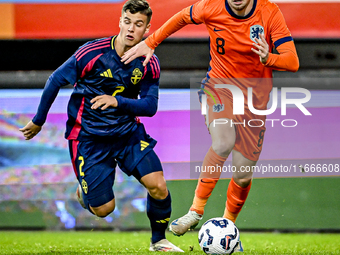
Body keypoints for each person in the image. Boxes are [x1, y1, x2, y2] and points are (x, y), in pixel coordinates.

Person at [121, 0, 299, 248]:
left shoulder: (269, 12)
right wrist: (150, 42)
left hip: (255, 100)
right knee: (223, 142)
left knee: (243, 174)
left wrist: (268, 57)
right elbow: (182, 17)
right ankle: (195, 212)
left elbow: (292, 61)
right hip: (219, 88)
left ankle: (228, 227)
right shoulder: (211, 6)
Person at [19, 0, 184, 252]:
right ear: (119, 22)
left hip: (126, 134)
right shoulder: (91, 53)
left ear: (147, 29)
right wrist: (38, 121)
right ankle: (86, 191)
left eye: (138, 24)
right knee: (104, 209)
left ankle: (158, 240)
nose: (131, 29)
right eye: (127, 22)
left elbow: (150, 106)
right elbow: (55, 80)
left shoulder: (149, 62)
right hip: (88, 138)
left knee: (158, 186)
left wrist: (116, 101)